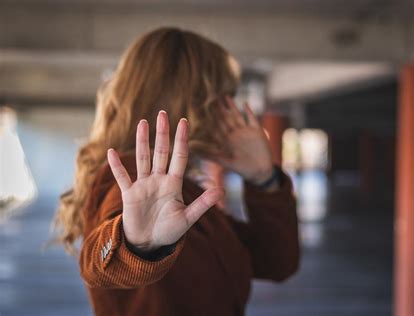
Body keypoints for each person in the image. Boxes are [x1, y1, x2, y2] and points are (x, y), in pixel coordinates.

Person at [55, 27, 299, 315]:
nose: (231, 111)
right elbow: (98, 265)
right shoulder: (134, 177)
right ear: (197, 102)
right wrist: (136, 245)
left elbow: (275, 262)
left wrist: (264, 179)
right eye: (225, 97)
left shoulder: (181, 189)